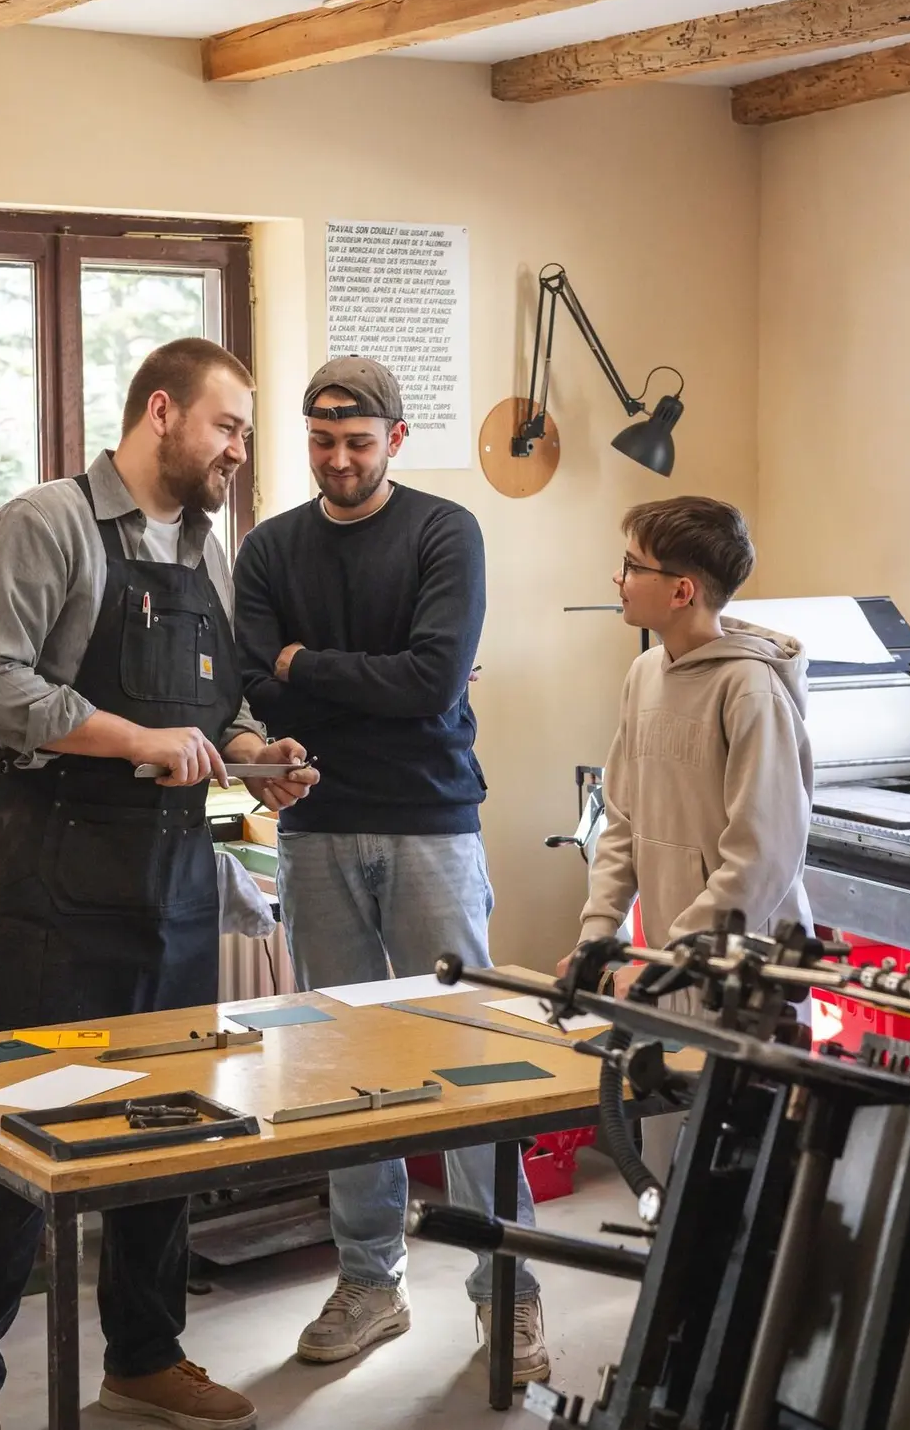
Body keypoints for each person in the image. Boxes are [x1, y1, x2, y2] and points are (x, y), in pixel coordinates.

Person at [0, 338, 318, 1430]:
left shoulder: (209, 546)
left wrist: (257, 777)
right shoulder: (46, 525)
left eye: (244, 431)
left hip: (180, 885)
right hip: (51, 892)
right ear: (162, 412)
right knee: (17, 1136)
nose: (240, 448)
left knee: (170, 1127)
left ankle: (143, 1353)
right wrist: (130, 734)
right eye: (228, 425)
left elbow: (217, 714)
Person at [232, 356, 549, 1387]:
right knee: (343, 1057)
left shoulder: (444, 530)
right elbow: (252, 689)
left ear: (396, 440)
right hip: (314, 825)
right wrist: (296, 681)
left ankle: (510, 1289)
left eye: (358, 441)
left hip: (430, 824)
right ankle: (371, 1277)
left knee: (472, 1055)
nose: (338, 458)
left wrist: (302, 665)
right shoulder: (271, 545)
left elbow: (431, 680)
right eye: (322, 440)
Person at [560, 495, 813, 1003]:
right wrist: (598, 935)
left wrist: (676, 956)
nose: (618, 576)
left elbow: (760, 856)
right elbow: (622, 824)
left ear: (681, 591)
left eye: (632, 566)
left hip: (740, 973)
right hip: (672, 964)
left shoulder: (749, 689)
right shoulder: (645, 672)